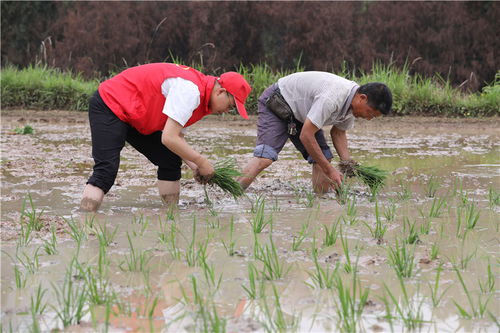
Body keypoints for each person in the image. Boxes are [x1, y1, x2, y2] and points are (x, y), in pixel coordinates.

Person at [80, 63, 251, 212]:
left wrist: (194, 167)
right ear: (221, 91)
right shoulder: (190, 91)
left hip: (136, 114)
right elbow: (168, 138)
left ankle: (170, 214)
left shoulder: (202, 100)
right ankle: (85, 221)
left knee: (169, 159)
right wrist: (202, 162)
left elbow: (177, 139)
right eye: (230, 106)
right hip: (111, 103)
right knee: (106, 171)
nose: (227, 112)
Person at [238, 71, 392, 194]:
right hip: (278, 101)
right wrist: (330, 170)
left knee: (323, 159)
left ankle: (320, 201)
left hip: (303, 113)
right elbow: (306, 135)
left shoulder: (352, 106)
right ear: (362, 98)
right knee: (266, 157)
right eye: (370, 113)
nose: (369, 118)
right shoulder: (333, 98)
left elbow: (338, 133)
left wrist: (348, 164)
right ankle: (233, 193)